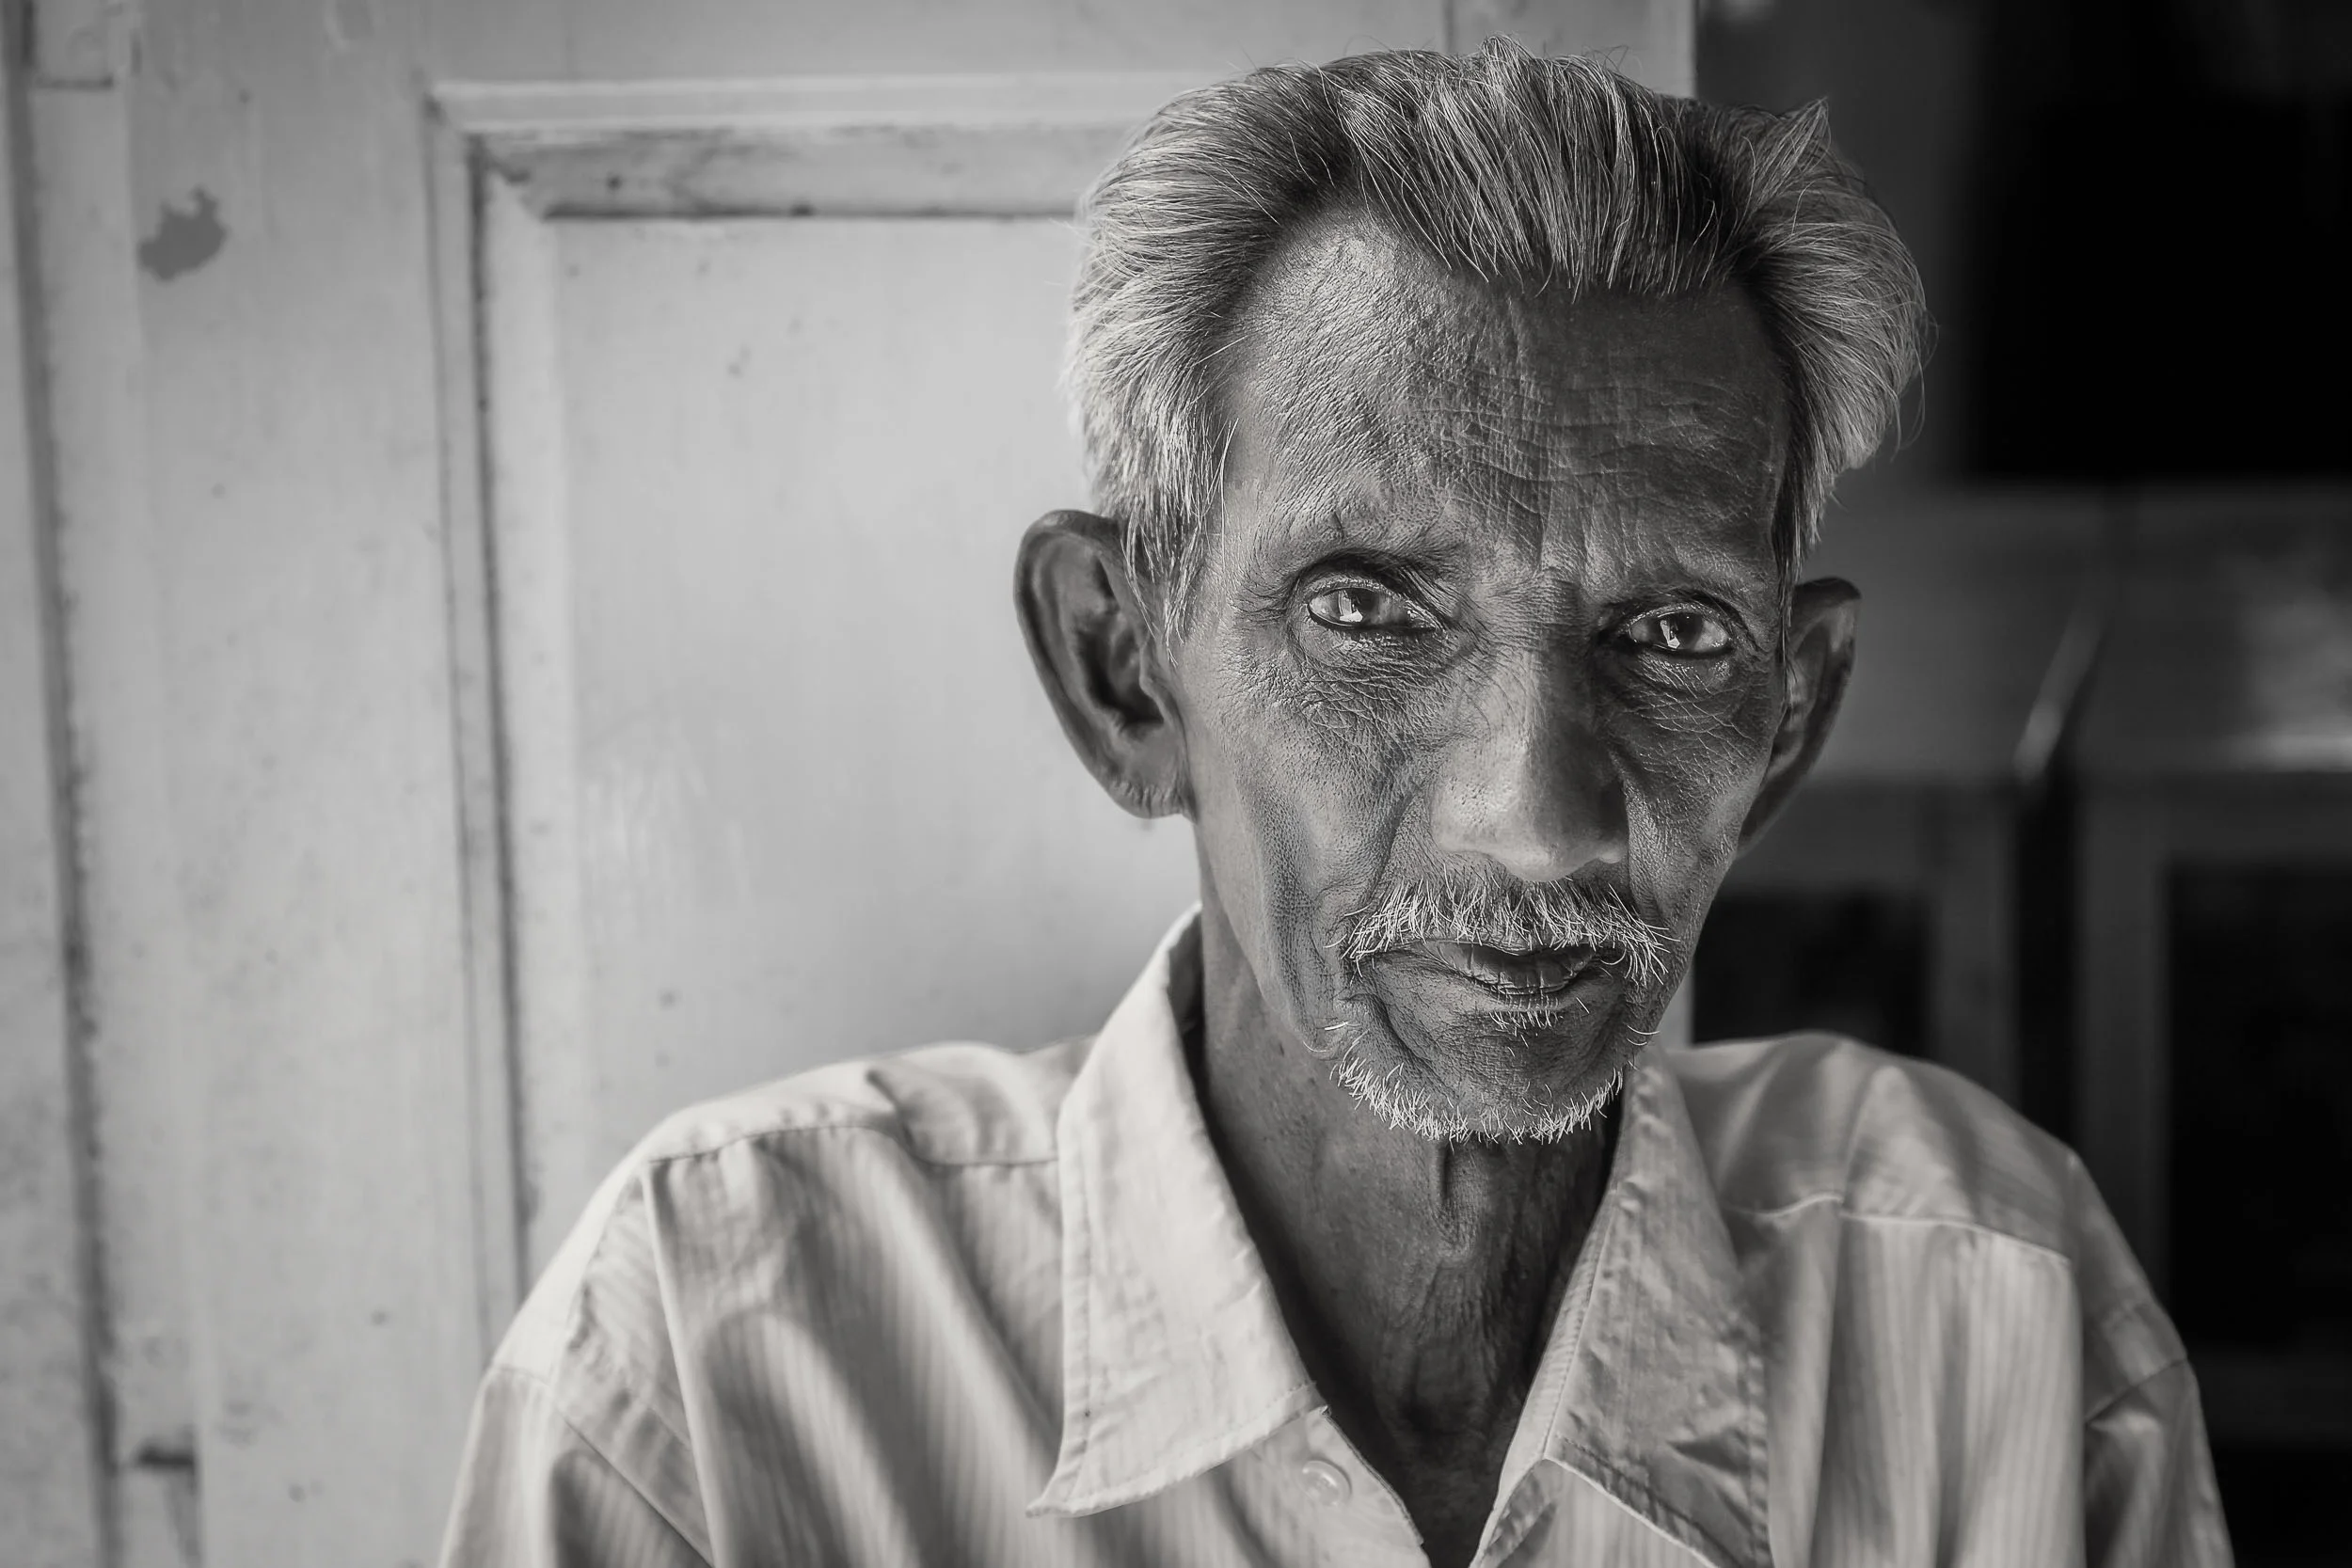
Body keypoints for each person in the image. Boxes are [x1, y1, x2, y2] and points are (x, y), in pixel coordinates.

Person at [439, 41, 2231, 1568]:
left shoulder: (1994, 1303)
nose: (1538, 819)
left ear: (1785, 722)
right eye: (1369, 611)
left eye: (1675, 634)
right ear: (1125, 674)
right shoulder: (717, 1350)